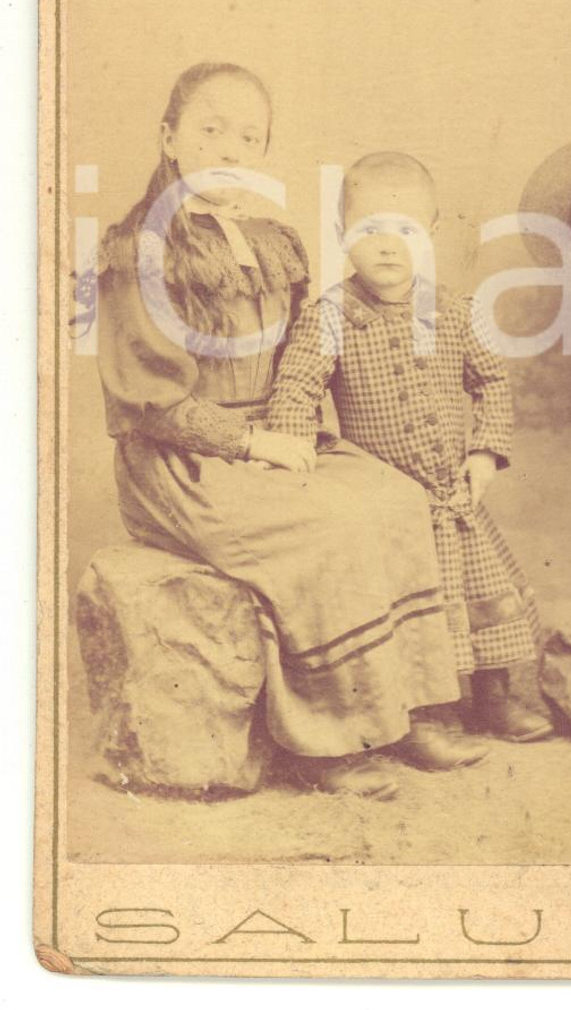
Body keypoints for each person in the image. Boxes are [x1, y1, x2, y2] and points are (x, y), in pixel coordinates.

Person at [97, 62, 480, 804]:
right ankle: (328, 742)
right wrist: (252, 445)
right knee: (327, 527)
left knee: (395, 498)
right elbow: (150, 403)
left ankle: (408, 714)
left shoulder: (272, 241)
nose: (229, 149)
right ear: (169, 137)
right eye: (210, 129)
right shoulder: (135, 249)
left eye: (249, 135)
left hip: (276, 433)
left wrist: (297, 432)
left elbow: (312, 354)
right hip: (183, 459)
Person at [266, 152, 553, 745]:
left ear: (432, 234)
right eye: (370, 229)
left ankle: (494, 699)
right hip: (391, 506)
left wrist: (485, 452)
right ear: (343, 236)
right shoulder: (331, 317)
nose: (388, 246)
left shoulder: (453, 311)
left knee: (483, 596)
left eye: (406, 229)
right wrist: (295, 456)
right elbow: (296, 390)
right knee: (415, 615)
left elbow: (492, 381)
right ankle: (427, 717)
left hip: (455, 491)